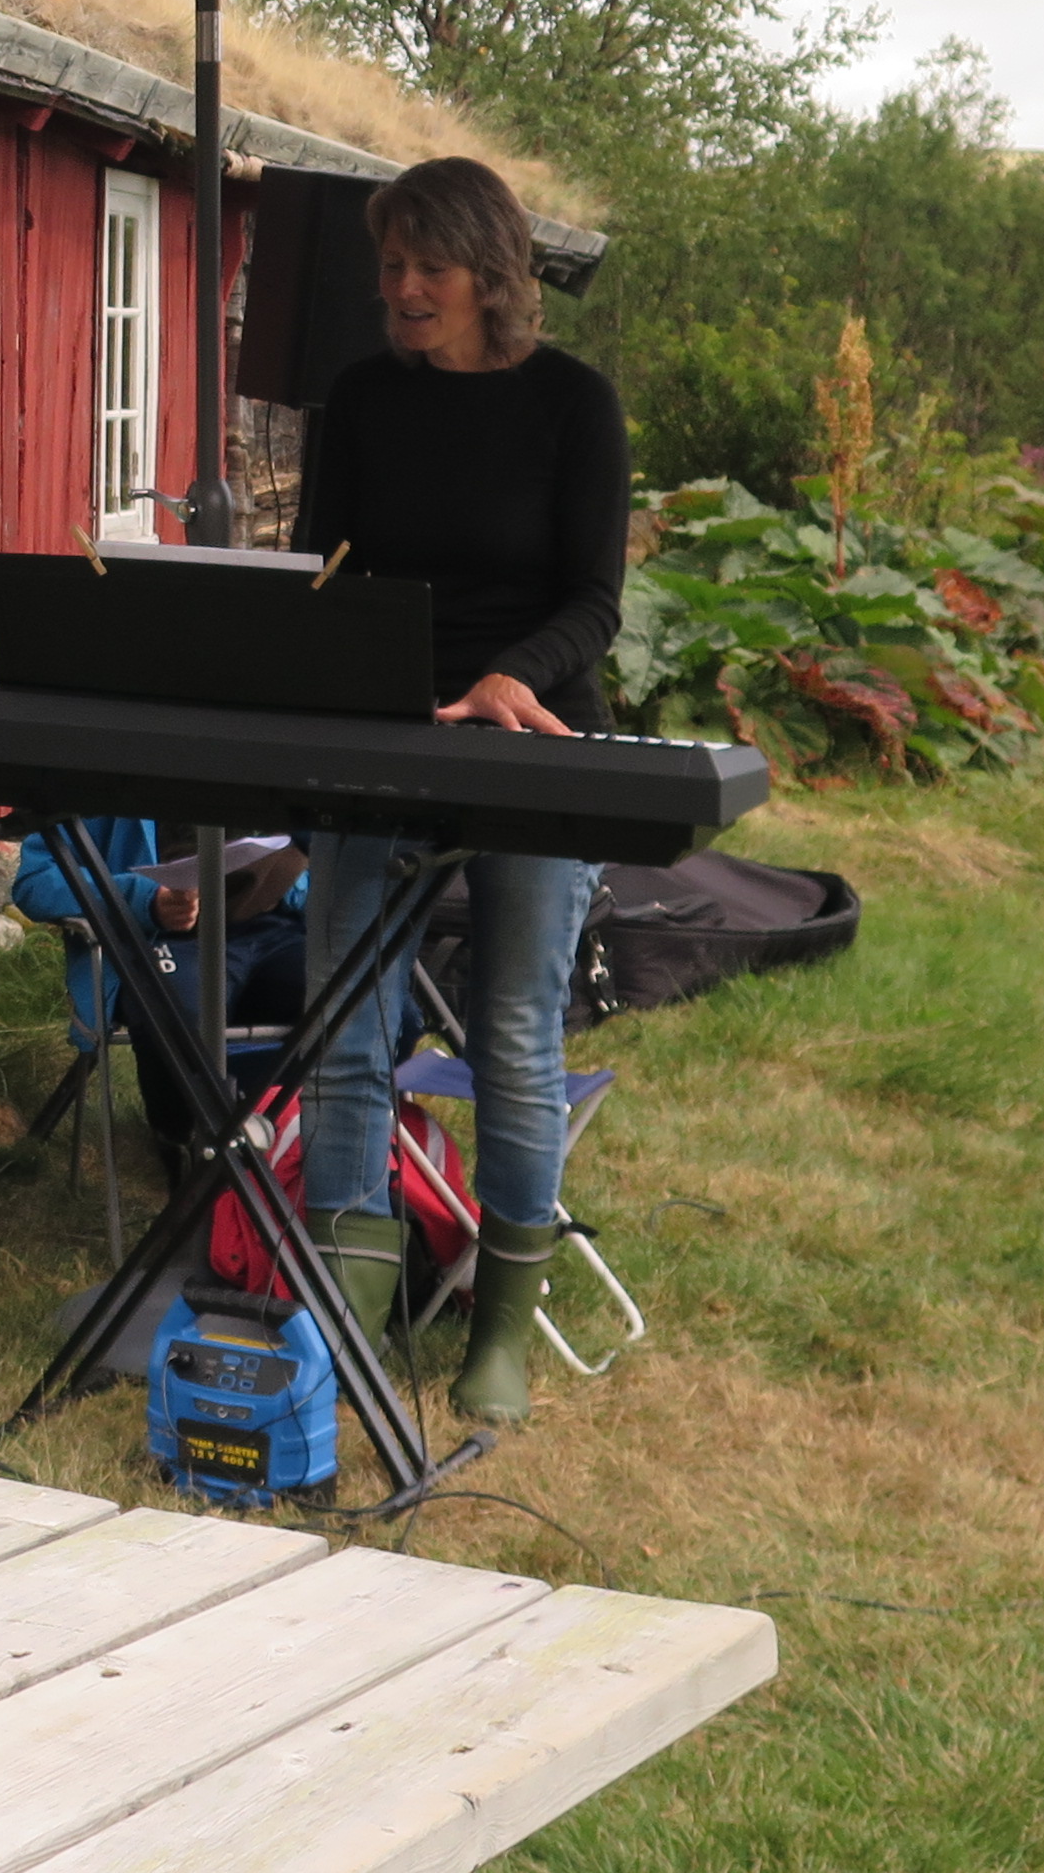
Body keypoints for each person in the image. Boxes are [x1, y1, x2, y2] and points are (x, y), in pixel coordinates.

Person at [289, 157, 628, 1425]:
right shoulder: (364, 398)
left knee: (512, 1037)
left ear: (494, 274)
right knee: (341, 1028)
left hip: (534, 734)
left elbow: (594, 600)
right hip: (379, 732)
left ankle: (499, 1335)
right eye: (389, 268)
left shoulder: (573, 405)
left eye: (427, 267)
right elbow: (322, 574)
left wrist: (499, 678)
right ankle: (345, 1326)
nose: (402, 290)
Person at [6, 820, 306, 1173]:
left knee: (340, 996)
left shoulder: (274, 765)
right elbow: (35, 883)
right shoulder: (105, 774)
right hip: (158, 934)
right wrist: (143, 899)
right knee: (181, 1015)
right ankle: (188, 1154)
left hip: (275, 929)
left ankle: (292, 1143)